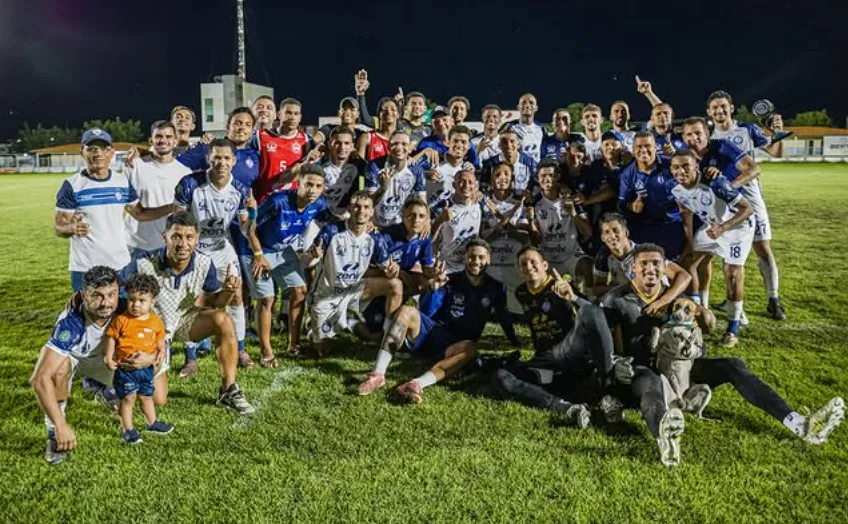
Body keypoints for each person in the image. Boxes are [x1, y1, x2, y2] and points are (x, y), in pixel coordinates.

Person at [602, 244, 845, 465]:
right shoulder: (616, 298)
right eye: (643, 264)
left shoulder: (676, 298)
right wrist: (617, 365)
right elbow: (606, 344)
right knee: (651, 382)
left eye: (656, 263)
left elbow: (706, 326)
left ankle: (798, 424)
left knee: (733, 364)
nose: (650, 269)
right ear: (633, 268)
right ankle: (664, 439)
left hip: (684, 368)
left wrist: (705, 317)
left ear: (664, 268)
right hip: (644, 371)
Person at [123, 211, 255, 415]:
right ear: (165, 237)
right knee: (158, 400)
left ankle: (228, 390)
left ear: (197, 239)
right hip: (151, 330)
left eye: (189, 237)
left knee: (223, 319)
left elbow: (215, 303)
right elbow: (116, 291)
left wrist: (228, 291)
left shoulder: (204, 263)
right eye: (176, 236)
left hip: (183, 319)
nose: (183, 243)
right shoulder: (143, 263)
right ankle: (109, 382)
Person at [30, 266, 167, 464]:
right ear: (84, 295)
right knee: (56, 372)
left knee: (158, 398)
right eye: (97, 296)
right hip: (78, 360)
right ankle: (53, 436)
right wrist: (60, 425)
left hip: (108, 361)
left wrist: (151, 357)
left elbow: (161, 340)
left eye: (111, 294)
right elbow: (39, 379)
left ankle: (102, 386)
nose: (106, 303)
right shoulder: (71, 322)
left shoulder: (127, 307)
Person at [358, 239, 521, 403]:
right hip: (432, 335)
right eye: (472, 256)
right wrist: (433, 291)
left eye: (481, 257)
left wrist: (514, 340)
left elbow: (503, 315)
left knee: (470, 347)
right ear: (465, 258)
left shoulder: (496, 287)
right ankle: (378, 374)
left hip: (456, 346)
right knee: (407, 311)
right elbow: (427, 313)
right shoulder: (449, 280)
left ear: (489, 259)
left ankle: (416, 384)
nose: (476, 262)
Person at [491, 247, 614, 429]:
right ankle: (567, 408)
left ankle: (609, 388)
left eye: (533, 262)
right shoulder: (521, 293)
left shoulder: (560, 286)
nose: (529, 266)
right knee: (502, 376)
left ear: (545, 265)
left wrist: (572, 297)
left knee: (592, 313)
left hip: (569, 353)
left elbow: (593, 315)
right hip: (545, 361)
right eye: (523, 264)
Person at [55, 128, 174, 291]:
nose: (98, 154)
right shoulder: (72, 185)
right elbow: (59, 226)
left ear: (111, 152)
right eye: (92, 149)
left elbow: (140, 213)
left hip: (120, 265)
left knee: (123, 314)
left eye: (104, 148)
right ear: (82, 152)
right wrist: (71, 228)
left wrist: (173, 206)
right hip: (85, 267)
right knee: (89, 314)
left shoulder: (122, 182)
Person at [174, 138, 256, 374]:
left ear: (234, 160)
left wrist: (253, 212)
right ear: (208, 157)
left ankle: (240, 349)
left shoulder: (240, 189)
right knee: (191, 301)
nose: (221, 162)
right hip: (194, 251)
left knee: (237, 295)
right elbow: (177, 220)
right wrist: (184, 249)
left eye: (226, 158)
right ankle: (191, 358)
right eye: (216, 157)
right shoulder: (190, 183)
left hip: (222, 249)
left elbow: (245, 229)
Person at [706, 90, 787, 320]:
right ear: (709, 112)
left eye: (723, 106)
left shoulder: (748, 129)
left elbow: (776, 152)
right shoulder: (708, 136)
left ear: (731, 108)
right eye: (715, 108)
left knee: (763, 248)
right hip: (723, 202)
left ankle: (774, 298)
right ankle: (731, 298)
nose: (720, 111)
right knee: (726, 254)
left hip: (751, 197)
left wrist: (778, 131)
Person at [681, 116, 764, 324]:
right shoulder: (685, 159)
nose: (694, 138)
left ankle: (735, 318)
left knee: (732, 270)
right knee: (695, 262)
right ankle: (703, 310)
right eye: (689, 134)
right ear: (683, 137)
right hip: (707, 216)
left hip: (734, 216)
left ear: (707, 134)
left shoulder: (722, 147)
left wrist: (728, 185)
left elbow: (754, 168)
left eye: (698, 133)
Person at [669, 150, 754, 347]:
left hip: (737, 229)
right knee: (687, 262)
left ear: (696, 166)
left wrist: (723, 227)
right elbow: (687, 217)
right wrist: (690, 245)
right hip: (712, 227)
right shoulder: (677, 190)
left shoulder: (716, 183)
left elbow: (747, 209)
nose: (681, 171)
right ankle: (700, 310)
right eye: (675, 167)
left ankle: (733, 328)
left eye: (686, 166)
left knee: (732, 273)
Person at [247, 164, 331, 361]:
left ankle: (294, 344)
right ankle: (265, 350)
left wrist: (319, 244)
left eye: (318, 186)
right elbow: (249, 227)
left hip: (283, 251)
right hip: (260, 249)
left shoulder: (318, 205)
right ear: (298, 183)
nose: (313, 190)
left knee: (300, 290)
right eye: (308, 184)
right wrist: (258, 255)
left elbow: (331, 224)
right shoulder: (278, 201)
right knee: (267, 299)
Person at [306, 192, 403, 357]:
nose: (361, 211)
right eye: (357, 206)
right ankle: (331, 323)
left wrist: (392, 269)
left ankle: (387, 336)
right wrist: (313, 257)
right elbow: (307, 262)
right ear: (350, 208)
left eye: (366, 207)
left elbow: (388, 269)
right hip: (327, 294)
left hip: (355, 290)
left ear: (372, 212)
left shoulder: (376, 239)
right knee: (323, 349)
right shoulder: (331, 231)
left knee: (395, 284)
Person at [104, 274, 172, 444]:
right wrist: (108, 356)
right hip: (126, 370)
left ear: (152, 302)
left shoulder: (156, 321)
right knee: (128, 399)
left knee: (146, 396)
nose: (136, 305)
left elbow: (160, 339)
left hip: (147, 370)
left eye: (142, 300)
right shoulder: (122, 320)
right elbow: (111, 337)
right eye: (132, 300)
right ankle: (128, 430)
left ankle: (152, 423)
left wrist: (161, 350)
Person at [125, 121, 191, 255]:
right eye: (159, 136)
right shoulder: (134, 166)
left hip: (168, 246)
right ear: (151, 140)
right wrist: (172, 207)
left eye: (168, 137)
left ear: (175, 141)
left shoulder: (185, 173)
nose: (163, 140)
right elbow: (129, 207)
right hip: (135, 244)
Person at [592, 213, 691, 301]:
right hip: (628, 301)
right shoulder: (603, 256)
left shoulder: (645, 252)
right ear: (602, 238)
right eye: (607, 232)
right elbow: (597, 289)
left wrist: (665, 300)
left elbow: (684, 276)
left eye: (615, 230)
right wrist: (624, 288)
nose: (612, 236)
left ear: (626, 232)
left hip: (656, 300)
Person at [617, 131, 684, 260]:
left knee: (677, 265)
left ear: (655, 147)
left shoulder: (670, 165)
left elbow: (690, 182)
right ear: (633, 150)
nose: (643, 150)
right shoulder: (627, 174)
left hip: (672, 225)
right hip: (646, 227)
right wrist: (632, 207)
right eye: (639, 147)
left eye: (648, 146)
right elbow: (622, 204)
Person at [528, 159, 593, 290]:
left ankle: (590, 303)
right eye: (543, 176)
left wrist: (574, 214)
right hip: (548, 257)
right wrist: (530, 221)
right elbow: (536, 240)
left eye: (551, 175)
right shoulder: (535, 204)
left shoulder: (571, 199)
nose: (547, 179)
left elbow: (588, 232)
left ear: (558, 177)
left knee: (587, 266)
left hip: (571, 254)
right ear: (537, 179)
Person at [481, 162, 529, 314]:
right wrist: (503, 222)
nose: (502, 178)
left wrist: (500, 218)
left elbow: (523, 237)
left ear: (512, 178)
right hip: (492, 264)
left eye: (506, 174)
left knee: (516, 311)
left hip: (513, 263)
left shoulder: (520, 203)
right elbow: (483, 239)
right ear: (491, 178)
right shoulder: (484, 204)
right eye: (497, 174)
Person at [252, 98, 312, 201]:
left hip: (291, 204)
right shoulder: (260, 137)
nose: (292, 117)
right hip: (265, 200)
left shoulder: (306, 141)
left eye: (296, 114)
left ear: (300, 118)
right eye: (288, 113)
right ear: (279, 115)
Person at [365, 130, 427, 228]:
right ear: (388, 147)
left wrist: (426, 222)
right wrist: (383, 188)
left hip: (403, 225)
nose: (399, 148)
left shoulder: (416, 170)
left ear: (410, 148)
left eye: (404, 144)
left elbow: (422, 202)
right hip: (376, 225)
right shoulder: (375, 166)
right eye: (395, 144)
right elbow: (368, 203)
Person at [432, 169, 484, 274]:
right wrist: (440, 220)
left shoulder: (480, 204)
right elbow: (430, 238)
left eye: (470, 182)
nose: (466, 185)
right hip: (446, 268)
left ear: (475, 186)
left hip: (470, 268)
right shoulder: (441, 207)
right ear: (454, 185)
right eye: (462, 181)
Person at [422, 125, 474, 216]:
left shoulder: (468, 170)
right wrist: (423, 174)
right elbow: (409, 174)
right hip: (428, 217)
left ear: (469, 146)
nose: (459, 145)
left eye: (463, 142)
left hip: (453, 221)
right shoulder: (433, 160)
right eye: (455, 141)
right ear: (448, 142)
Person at [318, 127, 367, 217]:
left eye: (346, 143)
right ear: (329, 144)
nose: (342, 147)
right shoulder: (319, 166)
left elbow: (365, 195)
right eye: (337, 143)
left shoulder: (361, 167)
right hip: (322, 215)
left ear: (352, 147)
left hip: (349, 216)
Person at [414, 110, 479, 168]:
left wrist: (471, 166)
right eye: (436, 122)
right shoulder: (426, 142)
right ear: (432, 125)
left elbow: (476, 165)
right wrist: (424, 151)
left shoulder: (465, 142)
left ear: (452, 121)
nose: (441, 124)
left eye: (444, 120)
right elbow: (414, 163)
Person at [480, 128, 537, 194]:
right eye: (504, 142)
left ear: (518, 145)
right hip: (498, 201)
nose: (509, 145)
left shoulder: (530, 163)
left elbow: (536, 185)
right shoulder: (490, 164)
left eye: (512, 141)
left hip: (522, 201)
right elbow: (483, 187)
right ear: (499, 145)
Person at [356, 97, 399, 163]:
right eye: (384, 110)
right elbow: (359, 165)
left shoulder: (404, 139)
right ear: (379, 114)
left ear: (398, 114)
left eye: (393, 109)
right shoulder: (366, 138)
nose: (389, 112)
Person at [503, 93, 544, 161]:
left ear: (536, 108)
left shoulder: (541, 128)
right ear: (518, 107)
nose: (527, 105)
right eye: (524, 102)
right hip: (517, 170)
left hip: (536, 169)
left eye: (531, 103)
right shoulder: (509, 127)